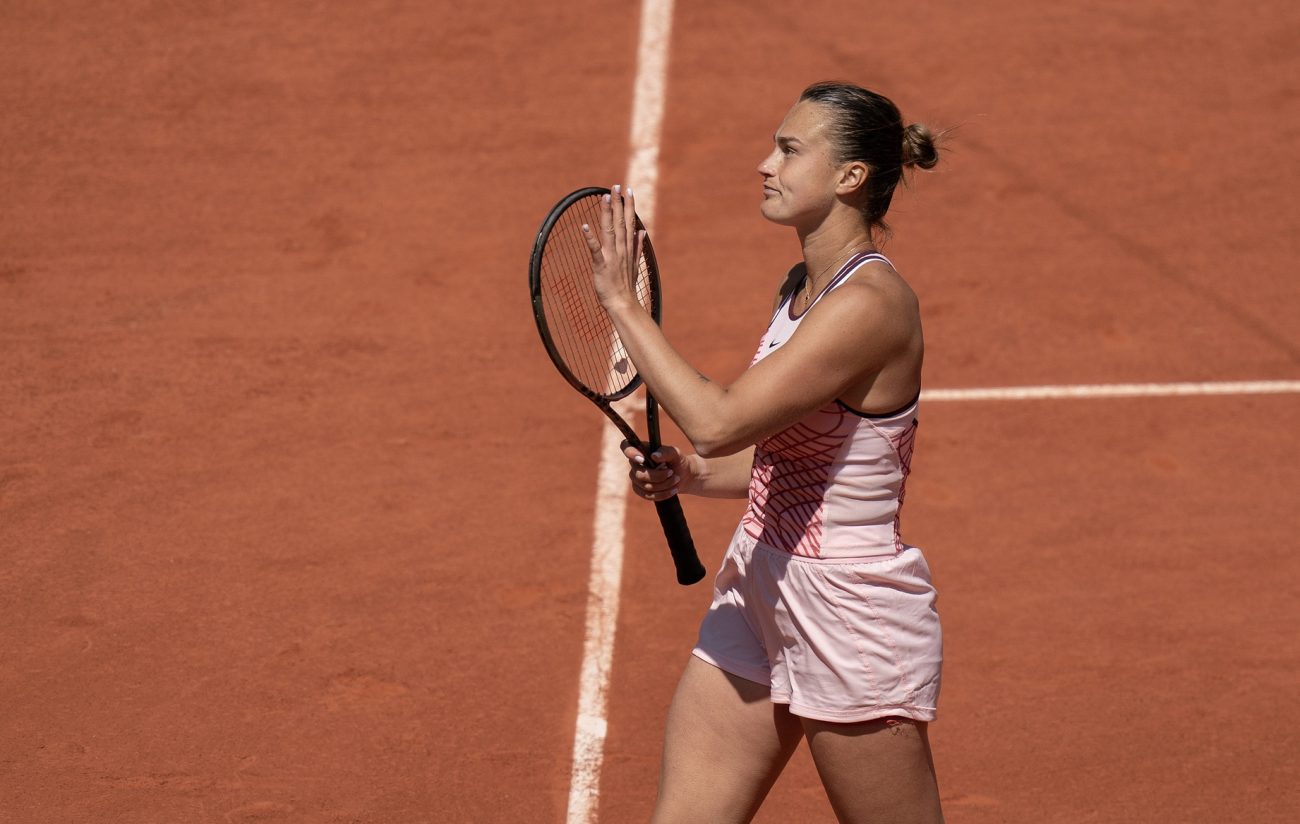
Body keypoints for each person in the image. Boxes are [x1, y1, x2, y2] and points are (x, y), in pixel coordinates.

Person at [582, 81, 945, 824]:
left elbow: (718, 420)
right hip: (760, 582)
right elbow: (783, 453)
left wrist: (623, 302)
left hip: (847, 608)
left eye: (788, 149)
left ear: (851, 178)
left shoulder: (871, 306)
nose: (764, 164)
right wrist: (692, 474)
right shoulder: (801, 287)